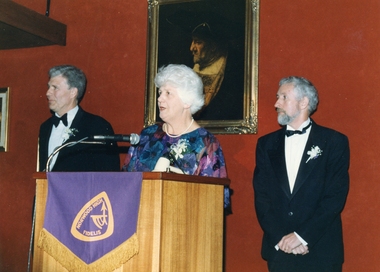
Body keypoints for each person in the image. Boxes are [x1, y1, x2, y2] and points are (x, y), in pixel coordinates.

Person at [253, 76, 350, 271]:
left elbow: (334, 198)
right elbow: (261, 197)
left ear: (303, 102)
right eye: (277, 97)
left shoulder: (333, 142)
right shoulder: (266, 144)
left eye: (283, 97)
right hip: (280, 252)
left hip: (319, 250)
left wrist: (301, 237)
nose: (276, 103)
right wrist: (283, 239)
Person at [122, 64, 231, 211]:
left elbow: (217, 200)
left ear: (187, 101)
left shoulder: (207, 143)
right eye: (160, 92)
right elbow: (124, 182)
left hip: (185, 224)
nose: (160, 99)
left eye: (168, 93)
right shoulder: (147, 136)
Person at [38, 65, 120, 172]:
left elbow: (109, 172)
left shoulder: (97, 126)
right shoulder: (45, 127)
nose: (48, 93)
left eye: (55, 88)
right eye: (48, 87)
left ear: (73, 92)